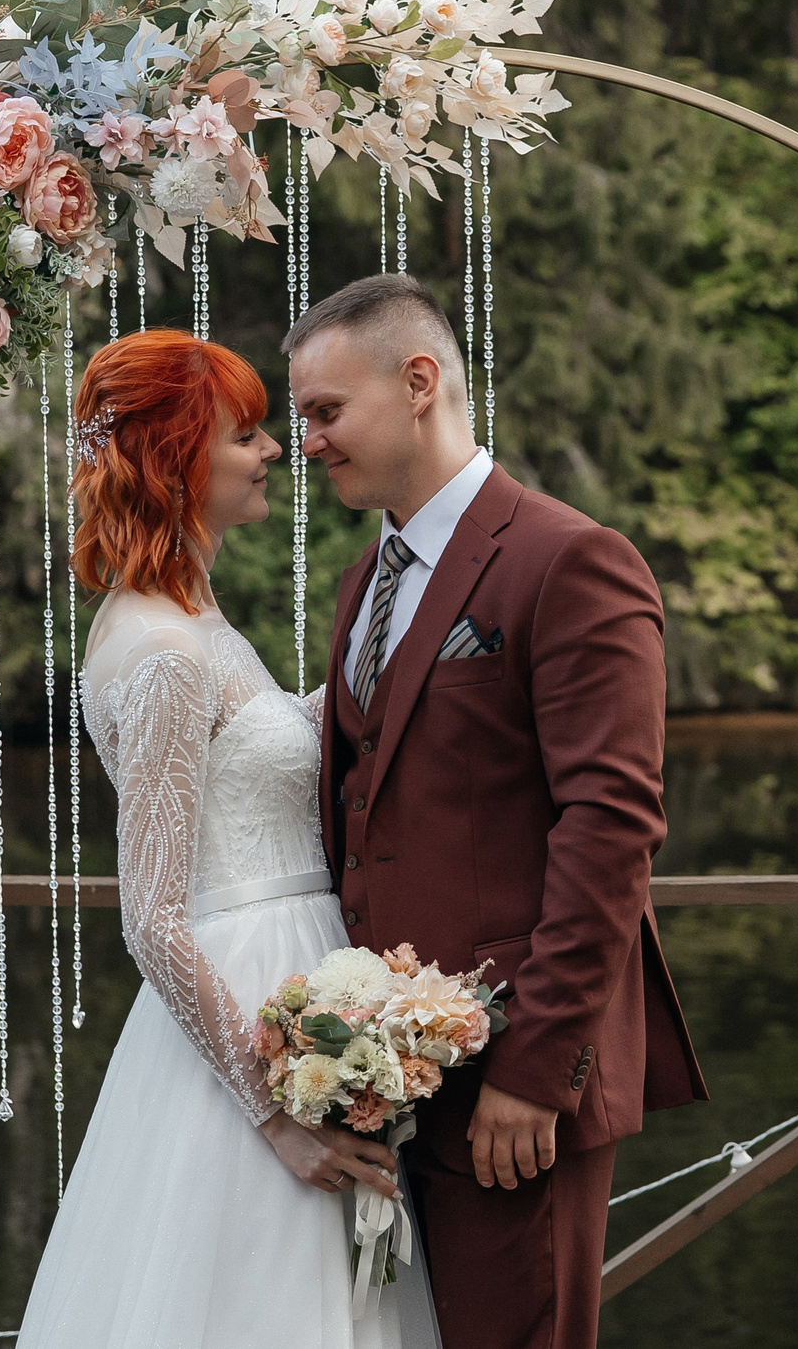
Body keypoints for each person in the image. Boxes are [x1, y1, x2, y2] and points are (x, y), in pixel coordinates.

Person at [286, 274, 707, 1349]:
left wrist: (533, 1070)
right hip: (383, 1082)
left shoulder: (569, 558)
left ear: (418, 382)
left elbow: (611, 827)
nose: (308, 442)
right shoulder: (362, 582)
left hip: (512, 1088)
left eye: (326, 411)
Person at [17, 329, 440, 1349]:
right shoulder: (164, 651)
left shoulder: (191, 619)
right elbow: (154, 918)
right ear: (175, 459)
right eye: (245, 435)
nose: (274, 450)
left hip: (292, 976)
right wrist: (277, 1115)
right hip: (246, 1012)